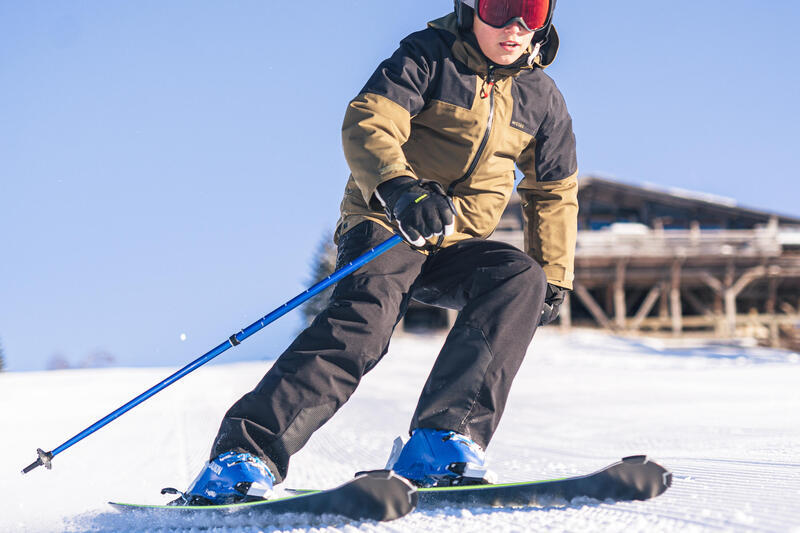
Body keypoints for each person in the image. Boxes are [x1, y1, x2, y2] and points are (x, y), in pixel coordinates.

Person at [179, 0, 577, 504]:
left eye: (533, 12)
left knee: (519, 277)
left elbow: (554, 190)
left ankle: (441, 442)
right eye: (501, 8)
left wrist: (555, 274)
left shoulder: (541, 98)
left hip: (455, 241)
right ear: (470, 7)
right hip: (388, 223)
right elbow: (368, 121)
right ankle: (243, 456)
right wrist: (401, 189)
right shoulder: (427, 56)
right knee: (363, 325)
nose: (516, 27)